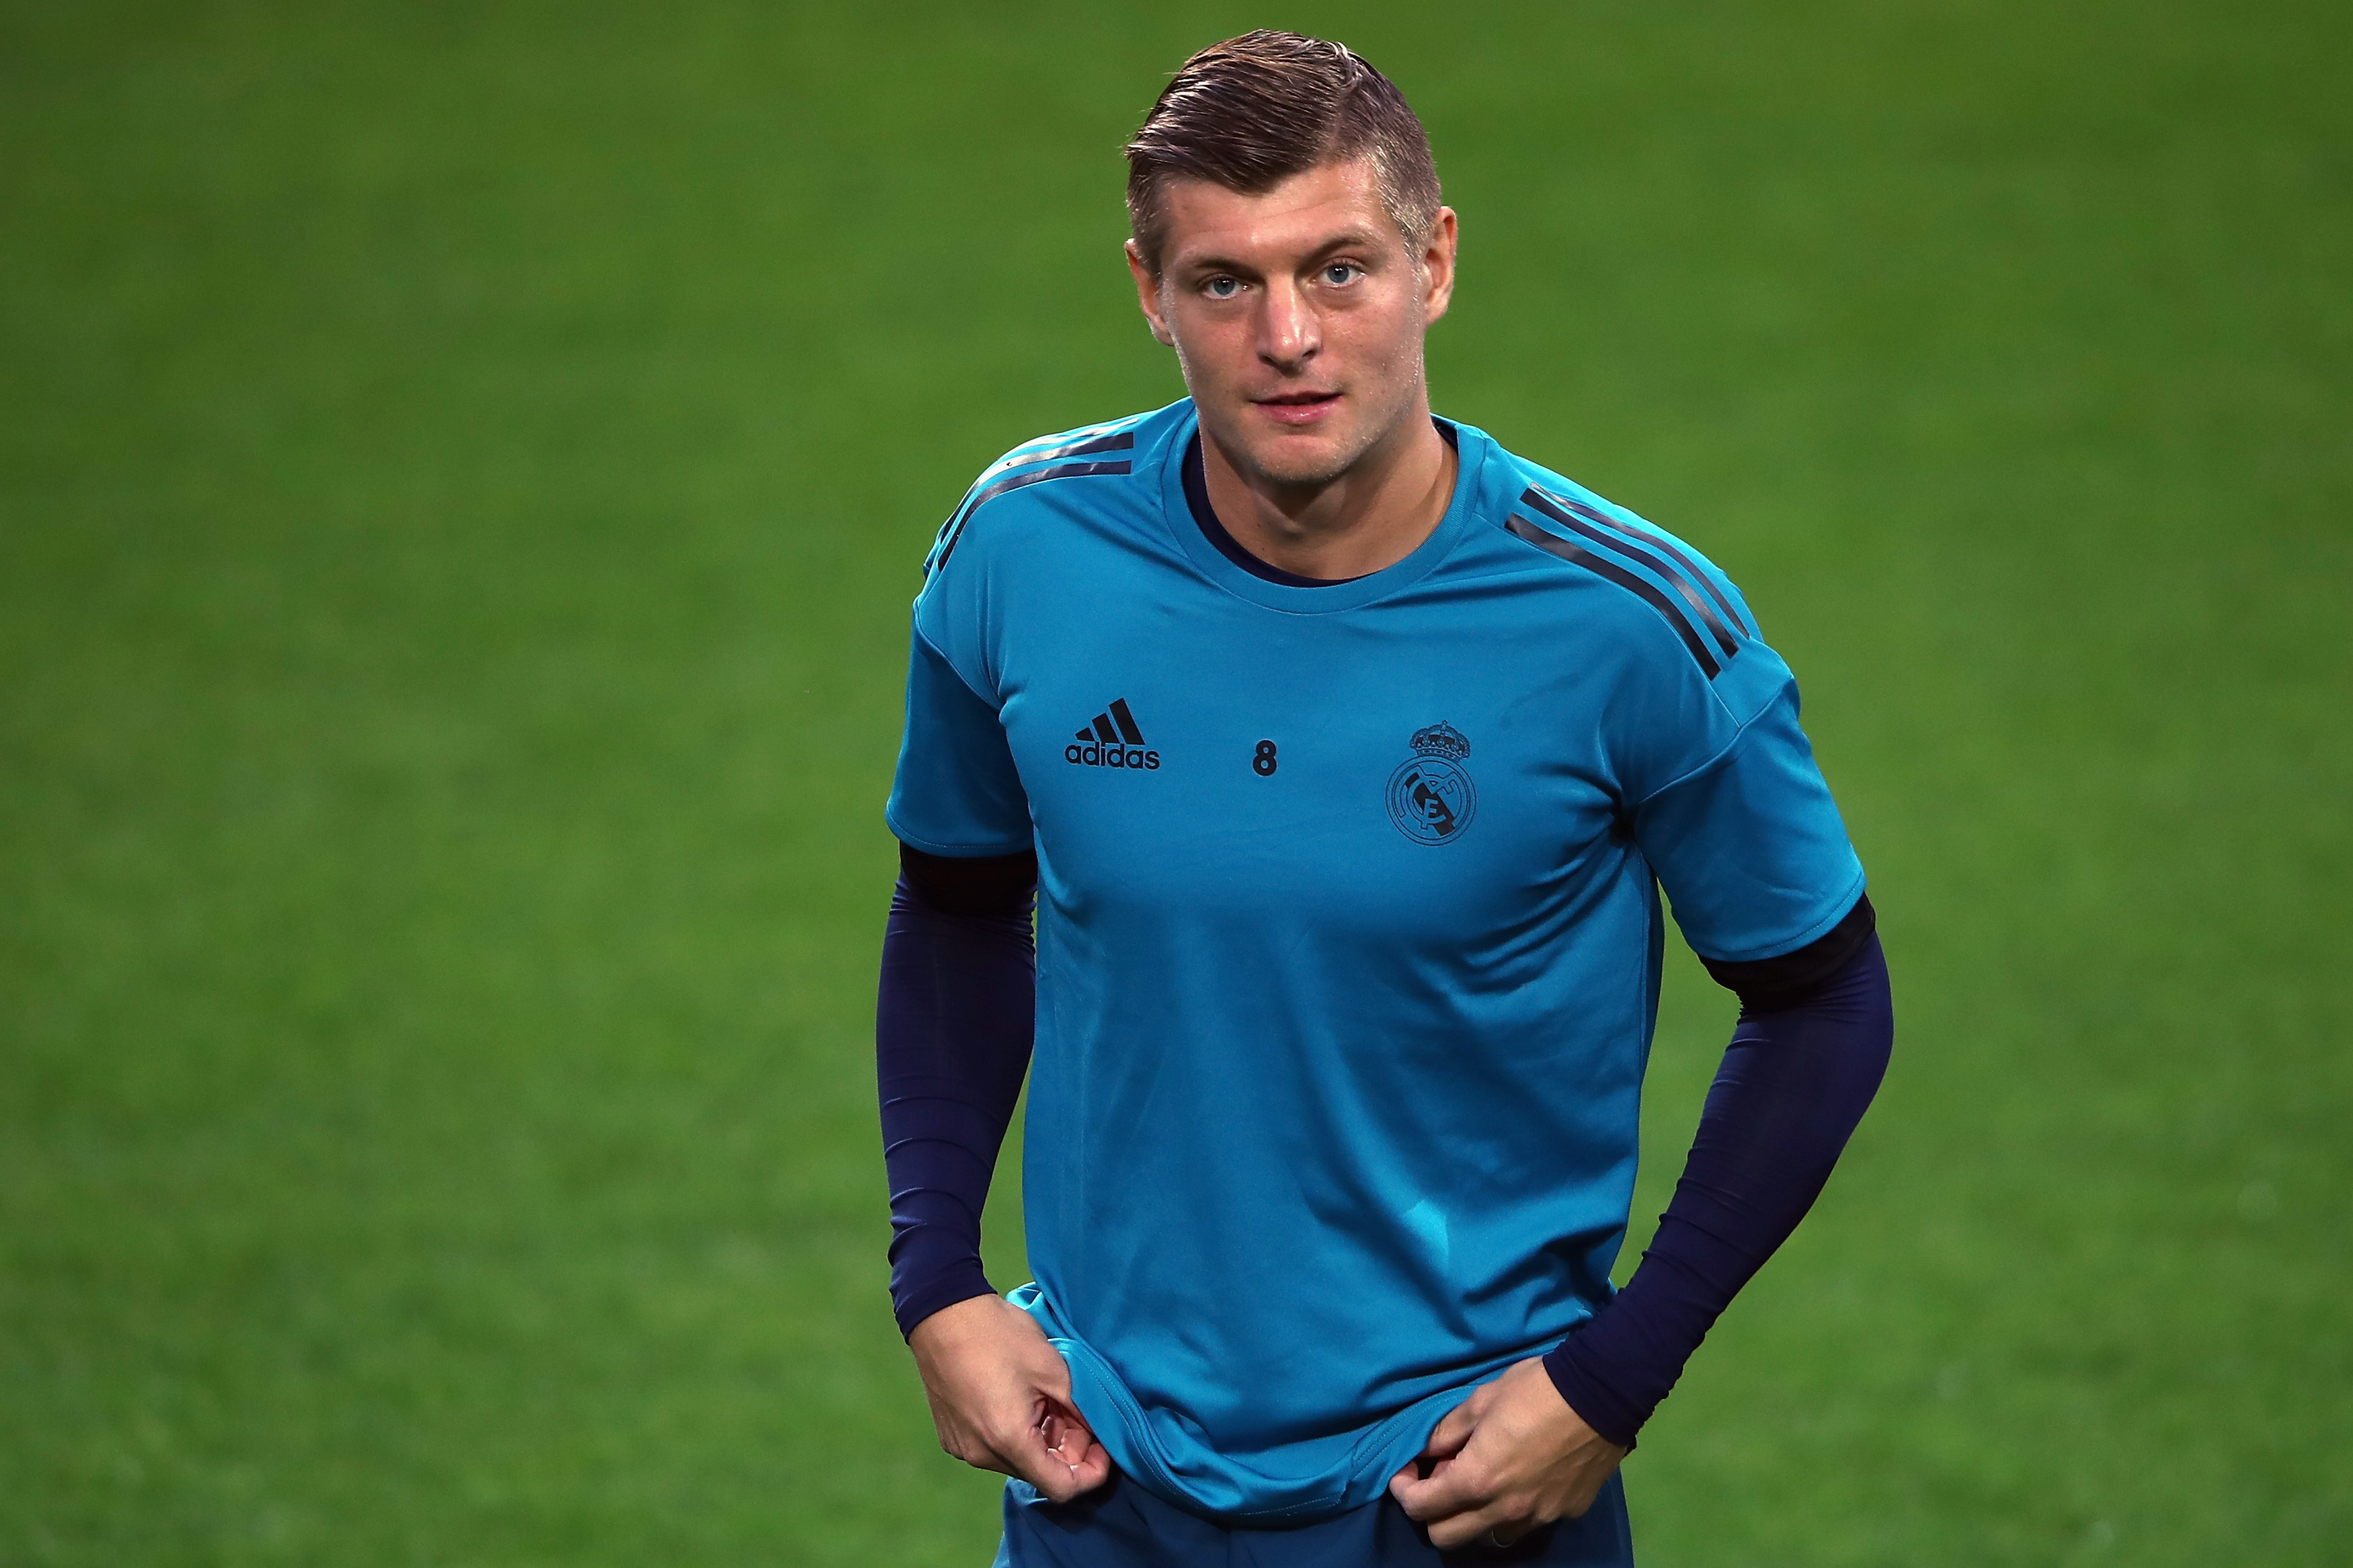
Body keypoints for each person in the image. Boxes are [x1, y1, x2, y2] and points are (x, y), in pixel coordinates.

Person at [876, 30, 1893, 1567]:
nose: (1288, 335)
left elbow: (1822, 1000)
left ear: (1434, 263)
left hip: (1461, 1500)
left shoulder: (1629, 627)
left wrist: (1613, 1380)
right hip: (1102, 1485)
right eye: (1224, 281)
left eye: (1338, 269)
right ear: (1150, 293)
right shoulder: (1022, 553)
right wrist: (937, 1279)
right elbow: (954, 907)